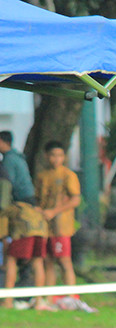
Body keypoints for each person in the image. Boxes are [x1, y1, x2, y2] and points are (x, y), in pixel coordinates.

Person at [34, 141, 86, 310]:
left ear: (64, 157)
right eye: (52, 155)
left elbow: (75, 199)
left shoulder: (68, 175)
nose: (56, 159)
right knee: (48, 261)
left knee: (64, 261)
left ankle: (71, 296)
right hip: (45, 226)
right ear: (46, 156)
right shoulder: (42, 175)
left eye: (59, 155)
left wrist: (54, 211)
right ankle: (49, 298)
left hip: (61, 226)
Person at [1, 130, 48, 311]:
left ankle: (7, 301)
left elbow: (7, 189)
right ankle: (38, 301)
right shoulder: (19, 157)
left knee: (12, 259)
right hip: (37, 220)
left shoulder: (8, 161)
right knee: (37, 261)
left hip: (23, 218)